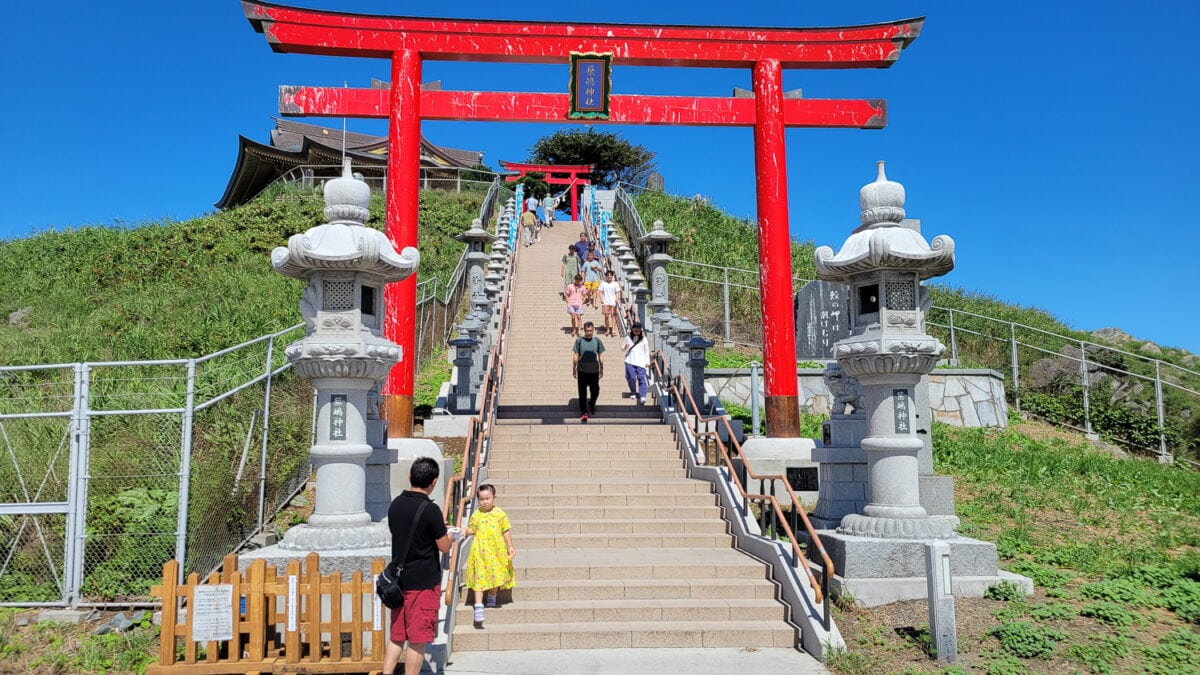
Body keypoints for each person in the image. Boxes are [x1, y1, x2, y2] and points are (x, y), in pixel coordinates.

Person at [383, 457, 452, 675]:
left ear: (410, 476)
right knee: (417, 639)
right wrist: (449, 535)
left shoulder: (396, 505)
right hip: (423, 583)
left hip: (398, 582)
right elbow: (444, 546)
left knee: (397, 635)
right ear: (434, 481)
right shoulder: (431, 510)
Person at [463, 483, 515, 626]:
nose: (485, 502)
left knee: (495, 574)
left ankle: (492, 595)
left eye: (488, 498)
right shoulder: (476, 515)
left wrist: (510, 546)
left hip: (496, 551)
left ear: (494, 498)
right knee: (479, 577)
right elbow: (472, 529)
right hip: (480, 551)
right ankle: (478, 606)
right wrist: (464, 531)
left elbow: (506, 530)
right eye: (481, 499)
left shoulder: (500, 513)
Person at [572, 321, 605, 422]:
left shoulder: (597, 341)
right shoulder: (579, 341)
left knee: (595, 390)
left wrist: (602, 367)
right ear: (584, 330)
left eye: (590, 331)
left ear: (593, 330)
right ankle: (584, 412)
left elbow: (600, 355)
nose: (589, 333)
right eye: (587, 331)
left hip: (594, 371)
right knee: (582, 392)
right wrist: (574, 368)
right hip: (582, 370)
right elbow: (576, 355)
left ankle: (591, 403)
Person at [623, 322, 650, 405]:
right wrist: (625, 347)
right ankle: (633, 392)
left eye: (638, 331)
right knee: (631, 378)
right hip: (630, 361)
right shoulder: (628, 338)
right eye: (635, 330)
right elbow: (622, 348)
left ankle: (643, 396)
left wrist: (647, 362)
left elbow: (646, 351)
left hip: (641, 362)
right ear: (632, 330)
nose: (636, 332)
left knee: (641, 378)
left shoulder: (644, 339)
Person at [597, 270, 622, 336]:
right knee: (606, 316)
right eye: (608, 275)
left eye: (610, 275)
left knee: (613, 316)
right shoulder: (603, 283)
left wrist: (617, 299)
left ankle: (613, 330)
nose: (609, 276)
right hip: (605, 302)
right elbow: (600, 292)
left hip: (613, 302)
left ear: (612, 276)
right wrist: (601, 299)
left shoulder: (615, 283)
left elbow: (617, 292)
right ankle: (607, 329)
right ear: (606, 276)